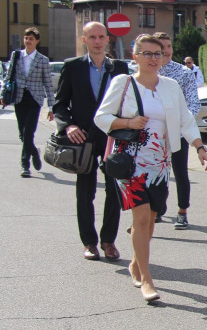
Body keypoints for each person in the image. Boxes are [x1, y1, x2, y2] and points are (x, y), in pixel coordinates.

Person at [94, 34, 207, 303]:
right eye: (146, 53)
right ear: (135, 56)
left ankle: (137, 262)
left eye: (157, 54)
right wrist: (127, 123)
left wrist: (200, 147)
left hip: (160, 164)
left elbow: (185, 120)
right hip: (129, 163)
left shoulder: (170, 86)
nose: (152, 58)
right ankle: (147, 279)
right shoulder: (122, 83)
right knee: (142, 218)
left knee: (152, 218)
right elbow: (101, 117)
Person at [53, 21, 130, 260]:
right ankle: (89, 242)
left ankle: (108, 241)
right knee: (85, 191)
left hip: (112, 137)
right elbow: (59, 104)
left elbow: (128, 102)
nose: (97, 41)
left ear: (108, 40)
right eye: (92, 37)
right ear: (84, 40)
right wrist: (68, 126)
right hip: (83, 138)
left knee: (114, 190)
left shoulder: (119, 67)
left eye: (101, 37)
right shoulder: (72, 67)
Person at [154, 32, 199, 229]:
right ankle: (156, 208)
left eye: (169, 46)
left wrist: (180, 122)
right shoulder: (148, 72)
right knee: (155, 172)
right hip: (153, 134)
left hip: (178, 133)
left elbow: (194, 104)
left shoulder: (183, 73)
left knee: (180, 173)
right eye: (161, 48)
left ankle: (182, 211)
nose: (166, 51)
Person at [3, 27, 54, 177]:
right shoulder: (17, 55)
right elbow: (9, 75)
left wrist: (51, 107)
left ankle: (24, 165)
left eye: (31, 39)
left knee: (28, 132)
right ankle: (34, 152)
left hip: (35, 99)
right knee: (22, 134)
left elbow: (48, 83)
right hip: (19, 97)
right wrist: (3, 94)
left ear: (37, 41)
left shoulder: (42, 60)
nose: (28, 41)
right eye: (26, 38)